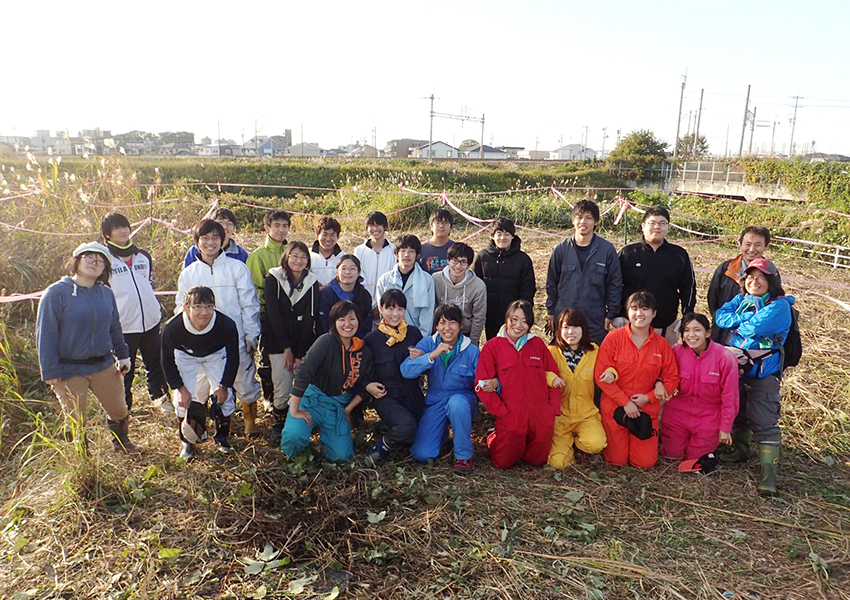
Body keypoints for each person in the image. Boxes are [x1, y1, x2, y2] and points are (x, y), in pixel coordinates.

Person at [36, 242, 140, 452]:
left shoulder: (106, 294)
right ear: (77, 260)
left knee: (119, 408)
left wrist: (124, 355)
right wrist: (50, 370)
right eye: (89, 257)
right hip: (69, 369)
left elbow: (114, 327)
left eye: (101, 260)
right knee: (75, 415)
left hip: (103, 364)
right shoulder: (56, 293)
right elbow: (45, 334)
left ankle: (122, 443)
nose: (95, 262)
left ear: (105, 269)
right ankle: (80, 456)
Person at [175, 219, 263, 435]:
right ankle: (198, 427)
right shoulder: (190, 272)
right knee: (200, 386)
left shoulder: (237, 268)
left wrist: (251, 335)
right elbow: (181, 307)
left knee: (244, 381)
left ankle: (249, 419)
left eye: (215, 237)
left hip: (234, 339)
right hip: (200, 344)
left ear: (223, 240)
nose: (210, 242)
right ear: (197, 242)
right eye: (204, 238)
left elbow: (249, 304)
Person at [714, 258, 793, 496]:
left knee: (764, 417)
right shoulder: (741, 300)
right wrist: (743, 320)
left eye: (761, 277)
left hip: (763, 372)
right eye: (750, 277)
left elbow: (756, 329)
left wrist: (738, 324)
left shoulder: (780, 306)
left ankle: (768, 475)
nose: (754, 282)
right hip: (735, 367)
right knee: (736, 408)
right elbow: (720, 317)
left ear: (772, 281)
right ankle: (740, 450)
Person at [279, 300, 379, 462]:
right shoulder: (326, 342)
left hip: (336, 405)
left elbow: (365, 385)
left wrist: (348, 410)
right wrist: (294, 409)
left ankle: (327, 442)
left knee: (341, 457)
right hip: (312, 400)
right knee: (294, 436)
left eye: (352, 319)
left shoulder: (363, 351)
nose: (347, 324)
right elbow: (304, 372)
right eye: (342, 319)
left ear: (359, 321)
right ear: (334, 322)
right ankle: (293, 458)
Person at [594, 291, 679, 469]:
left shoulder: (662, 345)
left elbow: (672, 378)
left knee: (645, 463)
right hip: (615, 408)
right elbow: (601, 376)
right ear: (627, 312)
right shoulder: (613, 338)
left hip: (646, 411)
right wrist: (625, 402)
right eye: (634, 309)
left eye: (645, 309)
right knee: (616, 461)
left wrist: (648, 398)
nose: (639, 314)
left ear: (654, 313)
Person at [475, 300, 562, 469]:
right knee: (503, 462)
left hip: (539, 411)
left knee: (538, 460)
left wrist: (552, 410)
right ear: (507, 318)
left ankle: (527, 448)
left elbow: (554, 376)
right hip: (511, 411)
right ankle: (495, 437)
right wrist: (500, 411)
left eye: (524, 321)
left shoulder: (537, 344)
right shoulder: (493, 346)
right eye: (514, 319)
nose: (518, 325)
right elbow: (481, 384)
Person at [161, 286, 240, 459]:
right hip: (186, 355)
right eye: (198, 307)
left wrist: (224, 385)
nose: (204, 312)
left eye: (209, 306)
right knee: (183, 400)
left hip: (215, 354)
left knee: (225, 399)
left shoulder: (226, 324)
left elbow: (234, 358)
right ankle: (186, 441)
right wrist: (180, 389)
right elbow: (166, 362)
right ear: (186, 307)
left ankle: (221, 437)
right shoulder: (172, 328)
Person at [100, 212, 168, 412]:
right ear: (107, 235)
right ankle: (123, 407)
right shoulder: (105, 259)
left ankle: (160, 398)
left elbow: (147, 283)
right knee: (124, 369)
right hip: (123, 326)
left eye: (124, 226)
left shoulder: (143, 256)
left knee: (155, 362)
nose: (122, 231)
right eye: (116, 228)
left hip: (150, 321)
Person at [401, 304, 480, 475]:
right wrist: (431, 355)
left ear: (461, 326)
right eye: (442, 323)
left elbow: (482, 381)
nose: (447, 328)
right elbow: (406, 371)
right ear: (436, 325)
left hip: (462, 400)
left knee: (457, 404)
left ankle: (463, 456)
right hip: (435, 401)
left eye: (452, 323)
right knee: (422, 454)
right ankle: (442, 434)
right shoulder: (428, 343)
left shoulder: (471, 350)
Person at [660, 313, 739, 461]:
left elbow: (730, 397)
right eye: (686, 330)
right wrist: (659, 383)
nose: (691, 335)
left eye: (697, 330)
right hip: (679, 412)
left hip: (709, 416)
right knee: (671, 456)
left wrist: (725, 428)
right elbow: (662, 374)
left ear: (707, 333)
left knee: (694, 461)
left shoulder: (725, 358)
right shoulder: (676, 351)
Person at [361, 289, 425, 467]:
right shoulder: (372, 339)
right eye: (390, 308)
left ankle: (387, 426)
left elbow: (426, 366)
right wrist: (368, 386)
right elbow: (363, 372)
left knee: (426, 432)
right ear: (381, 309)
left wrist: (422, 354)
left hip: (411, 394)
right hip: (386, 397)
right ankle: (380, 449)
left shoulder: (413, 333)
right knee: (407, 427)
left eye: (400, 309)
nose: (395, 314)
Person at [264, 242, 321, 438]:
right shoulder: (273, 278)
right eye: (294, 256)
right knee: (282, 383)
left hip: (302, 341)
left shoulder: (312, 282)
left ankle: (299, 421)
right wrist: (286, 348)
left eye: (303, 257)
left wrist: (298, 353)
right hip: (277, 340)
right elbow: (273, 315)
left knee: (303, 381)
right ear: (287, 257)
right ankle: (279, 422)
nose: (298, 261)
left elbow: (309, 319)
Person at [617, 206, 696, 346]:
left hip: (666, 326)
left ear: (668, 227)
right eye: (652, 223)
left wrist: (687, 315)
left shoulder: (679, 255)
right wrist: (616, 313)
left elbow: (688, 287)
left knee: (665, 365)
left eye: (662, 223)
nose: (657, 227)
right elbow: (614, 285)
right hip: (632, 324)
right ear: (643, 226)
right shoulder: (627, 253)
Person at [546, 200, 622, 345]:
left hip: (595, 319)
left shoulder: (607, 250)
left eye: (588, 218)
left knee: (593, 360)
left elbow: (615, 284)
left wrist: (610, 314)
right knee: (563, 361)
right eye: (579, 217)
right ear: (573, 221)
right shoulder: (561, 250)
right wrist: (551, 311)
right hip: (565, 318)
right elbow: (551, 283)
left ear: (596, 222)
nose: (583, 222)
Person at [547, 307, 607, 469]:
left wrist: (611, 373)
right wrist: (551, 378)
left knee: (596, 443)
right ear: (559, 330)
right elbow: (540, 372)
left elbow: (607, 367)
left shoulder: (594, 351)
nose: (570, 332)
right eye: (566, 327)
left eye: (575, 327)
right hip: (561, 416)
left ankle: (580, 447)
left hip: (586, 414)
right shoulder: (552, 352)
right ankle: (567, 446)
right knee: (558, 463)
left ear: (583, 329)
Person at [245, 209, 290, 406]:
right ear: (267, 228)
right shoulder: (258, 256)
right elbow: (254, 288)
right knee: (267, 356)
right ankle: (268, 395)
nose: (281, 230)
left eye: (285, 226)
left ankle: (286, 394)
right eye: (277, 225)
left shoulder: (292, 252)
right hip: (267, 315)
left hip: (290, 315)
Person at [708, 226, 780, 342]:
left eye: (757, 245)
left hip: (754, 337)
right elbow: (713, 298)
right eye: (748, 244)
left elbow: (774, 301)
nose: (751, 249)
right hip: (723, 330)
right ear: (739, 244)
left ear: (766, 246)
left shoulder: (771, 272)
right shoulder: (726, 268)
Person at [472, 217, 536, 340]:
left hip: (514, 316)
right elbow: (475, 286)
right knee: (494, 346)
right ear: (492, 236)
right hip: (490, 314)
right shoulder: (482, 257)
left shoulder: (523, 260)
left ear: (513, 236)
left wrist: (523, 314)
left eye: (507, 234)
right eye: (499, 234)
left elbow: (528, 289)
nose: (503, 238)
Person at [376, 234, 435, 338]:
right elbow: (382, 313)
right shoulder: (384, 280)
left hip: (416, 337)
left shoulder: (427, 280)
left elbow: (428, 315)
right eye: (403, 251)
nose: (407, 255)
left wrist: (421, 341)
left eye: (411, 251)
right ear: (396, 254)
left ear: (417, 255)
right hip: (389, 336)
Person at [433, 242, 487, 346]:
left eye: (463, 262)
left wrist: (473, 343)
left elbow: (479, 317)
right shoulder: (435, 279)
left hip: (465, 332)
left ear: (469, 264)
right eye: (455, 261)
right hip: (441, 331)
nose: (458, 266)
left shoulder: (478, 286)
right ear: (448, 260)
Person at [317, 254, 373, 338]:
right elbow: (322, 323)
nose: (347, 272)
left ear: (358, 272)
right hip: (330, 343)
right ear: (337, 272)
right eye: (343, 268)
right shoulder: (326, 293)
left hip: (356, 344)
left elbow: (366, 324)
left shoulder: (364, 295)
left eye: (352, 268)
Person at [354, 211, 395, 319]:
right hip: (364, 303)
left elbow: (394, 276)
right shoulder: (359, 251)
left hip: (389, 305)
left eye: (379, 225)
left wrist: (382, 305)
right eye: (371, 225)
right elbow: (359, 277)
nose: (375, 229)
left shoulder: (394, 250)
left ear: (385, 227)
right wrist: (372, 304)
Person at [183, 208, 248, 267]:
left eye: (229, 223)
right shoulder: (195, 251)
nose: (225, 227)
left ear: (234, 228)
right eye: (220, 222)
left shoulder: (240, 254)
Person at [419, 208, 455, 274]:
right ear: (431, 226)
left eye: (445, 222)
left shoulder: (456, 249)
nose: (441, 226)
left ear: (451, 227)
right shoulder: (421, 249)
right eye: (437, 222)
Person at [310, 216, 344, 287]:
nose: (328, 239)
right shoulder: (307, 256)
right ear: (317, 235)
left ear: (338, 237)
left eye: (332, 235)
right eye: (325, 234)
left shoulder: (343, 258)